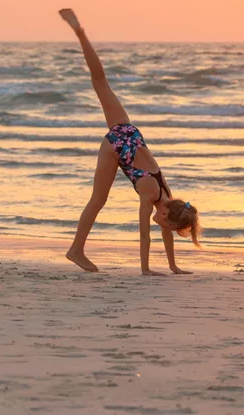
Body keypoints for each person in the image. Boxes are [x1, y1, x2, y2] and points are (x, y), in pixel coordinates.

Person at [60, 8, 200, 276]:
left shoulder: (169, 198)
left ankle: (80, 33)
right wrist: (146, 270)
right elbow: (144, 235)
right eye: (166, 225)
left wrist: (173, 266)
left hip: (128, 131)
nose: (160, 225)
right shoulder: (151, 194)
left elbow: (164, 231)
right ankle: (75, 249)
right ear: (167, 215)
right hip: (115, 145)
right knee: (97, 201)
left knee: (100, 82)